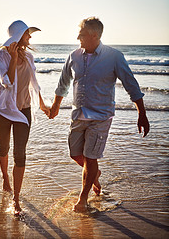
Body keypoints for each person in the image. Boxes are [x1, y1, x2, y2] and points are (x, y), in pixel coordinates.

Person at [49, 17, 150, 212]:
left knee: (91, 157)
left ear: (94, 35)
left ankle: (83, 199)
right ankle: (94, 173)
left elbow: (131, 85)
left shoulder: (114, 57)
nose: (78, 36)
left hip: (101, 116)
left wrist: (142, 113)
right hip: (78, 115)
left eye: (82, 34)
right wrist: (55, 106)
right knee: (75, 154)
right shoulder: (74, 56)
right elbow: (63, 84)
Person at [0, 20, 50, 215]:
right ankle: (5, 177)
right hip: (3, 110)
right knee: (3, 147)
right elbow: (7, 82)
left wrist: (41, 104)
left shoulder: (30, 57)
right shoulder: (0, 56)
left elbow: (34, 83)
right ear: (18, 36)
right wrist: (14, 57)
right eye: (27, 33)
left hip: (23, 111)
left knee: (20, 154)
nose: (30, 37)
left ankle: (16, 199)